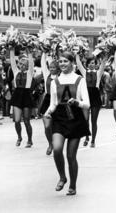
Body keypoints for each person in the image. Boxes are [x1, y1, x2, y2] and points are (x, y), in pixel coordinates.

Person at [45, 51, 90, 196]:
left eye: (65, 61)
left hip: (75, 118)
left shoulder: (80, 79)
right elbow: (53, 104)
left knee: (71, 156)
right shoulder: (54, 82)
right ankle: (62, 176)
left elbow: (87, 104)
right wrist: (47, 112)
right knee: (57, 148)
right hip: (59, 118)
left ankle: (73, 184)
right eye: (60, 61)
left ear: (72, 63)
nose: (62, 64)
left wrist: (77, 102)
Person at [76, 54, 106, 147]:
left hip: (95, 97)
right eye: (89, 63)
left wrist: (105, 53)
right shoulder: (84, 72)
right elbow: (78, 63)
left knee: (93, 120)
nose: (91, 65)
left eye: (93, 63)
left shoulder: (98, 73)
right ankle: (86, 137)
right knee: (85, 119)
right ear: (87, 64)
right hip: (86, 96)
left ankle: (93, 140)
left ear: (96, 64)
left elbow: (103, 64)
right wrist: (77, 52)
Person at [9, 48, 34, 148]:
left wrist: (30, 52)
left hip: (27, 95)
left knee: (27, 121)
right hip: (17, 95)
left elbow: (31, 63)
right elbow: (12, 61)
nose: (22, 66)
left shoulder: (30, 73)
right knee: (17, 120)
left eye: (24, 65)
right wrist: (11, 49)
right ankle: (19, 137)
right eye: (21, 64)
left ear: (27, 66)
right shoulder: (15, 71)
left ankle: (30, 140)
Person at [40, 53, 60, 155]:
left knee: (56, 126)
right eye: (50, 67)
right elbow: (43, 63)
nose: (52, 69)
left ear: (58, 68)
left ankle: (57, 144)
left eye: (54, 67)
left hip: (58, 100)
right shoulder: (46, 74)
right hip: (48, 100)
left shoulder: (61, 76)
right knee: (47, 126)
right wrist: (44, 51)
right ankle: (50, 143)